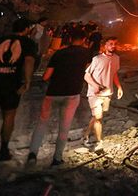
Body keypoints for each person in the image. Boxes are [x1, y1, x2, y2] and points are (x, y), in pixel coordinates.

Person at [26, 26, 91, 166]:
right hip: (72, 95)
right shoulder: (86, 53)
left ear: (69, 39)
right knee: (64, 127)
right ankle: (57, 159)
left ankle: (32, 155)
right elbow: (87, 70)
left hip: (53, 93)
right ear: (84, 39)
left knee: (42, 123)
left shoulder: (58, 54)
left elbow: (46, 76)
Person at [0, 18, 37, 161]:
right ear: (27, 29)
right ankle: (3, 151)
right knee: (9, 116)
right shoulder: (28, 43)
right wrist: (28, 81)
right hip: (11, 84)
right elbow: (29, 61)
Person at [83, 36, 122, 152]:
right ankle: (100, 142)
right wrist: (96, 86)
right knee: (98, 118)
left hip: (108, 92)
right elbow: (86, 75)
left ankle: (85, 135)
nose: (113, 46)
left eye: (115, 43)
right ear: (105, 46)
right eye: (110, 43)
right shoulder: (97, 59)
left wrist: (119, 87)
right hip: (95, 94)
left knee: (96, 116)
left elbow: (114, 73)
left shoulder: (116, 58)